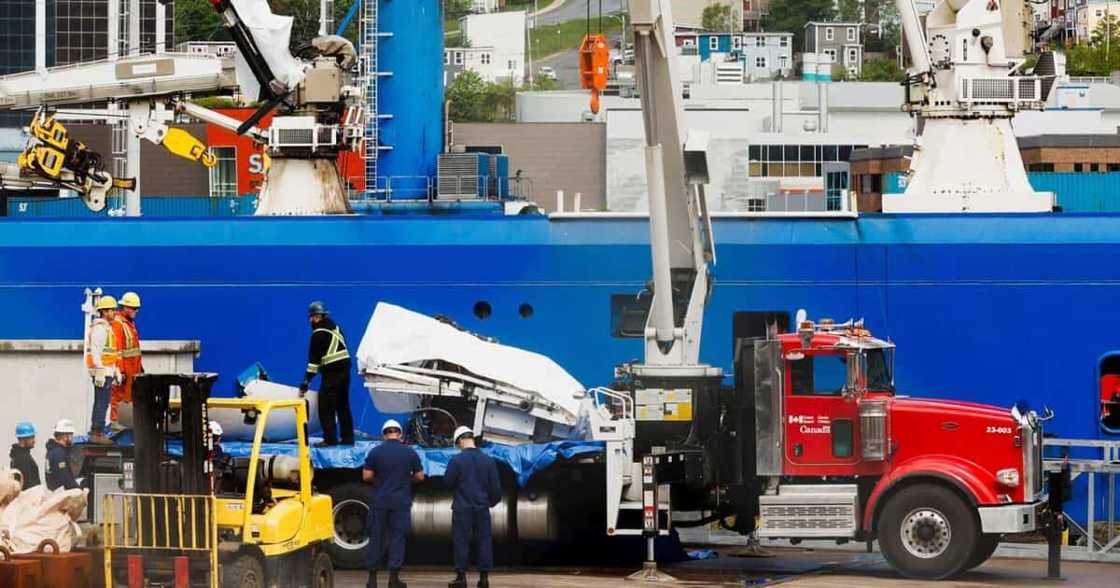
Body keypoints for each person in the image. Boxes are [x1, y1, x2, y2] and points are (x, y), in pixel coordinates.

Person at [363, 419, 425, 588]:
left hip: (380, 502)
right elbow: (420, 476)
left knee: (376, 538)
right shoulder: (409, 453)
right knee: (397, 538)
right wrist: (406, 480)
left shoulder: (375, 452)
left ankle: (372, 580)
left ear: (384, 434)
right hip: (400, 503)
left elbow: (366, 476)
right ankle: (393, 579)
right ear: (400, 434)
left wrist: (380, 481)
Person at [444, 426, 502, 588]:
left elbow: (448, 483)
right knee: (484, 540)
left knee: (461, 540)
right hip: (482, 507)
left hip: (462, 508)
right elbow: (496, 489)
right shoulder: (488, 460)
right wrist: (490, 502)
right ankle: (484, 579)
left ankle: (461, 578)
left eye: (457, 444)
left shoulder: (456, 460)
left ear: (461, 440)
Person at [299, 301, 354, 447]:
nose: (310, 320)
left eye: (311, 317)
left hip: (332, 374)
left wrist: (305, 382)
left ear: (317, 317)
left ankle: (330, 439)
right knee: (343, 406)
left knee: (326, 407)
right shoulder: (335, 327)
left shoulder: (318, 334)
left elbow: (313, 363)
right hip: (345, 372)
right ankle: (348, 439)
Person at [86, 295, 119, 445]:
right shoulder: (100, 328)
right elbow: (96, 351)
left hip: (107, 371)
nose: (114, 312)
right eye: (112, 310)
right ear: (104, 312)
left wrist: (115, 370)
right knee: (102, 402)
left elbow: (110, 353)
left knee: (102, 402)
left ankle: (97, 430)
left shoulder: (106, 328)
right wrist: (99, 371)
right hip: (102, 373)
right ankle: (97, 432)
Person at [109, 291, 144, 431]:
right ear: (125, 307)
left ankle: (125, 421)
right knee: (118, 394)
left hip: (133, 368)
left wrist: (139, 367)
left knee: (129, 396)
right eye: (134, 308)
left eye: (137, 308)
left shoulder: (129, 323)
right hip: (124, 368)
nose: (136, 311)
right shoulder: (118, 323)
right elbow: (117, 349)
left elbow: (134, 349)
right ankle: (115, 422)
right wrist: (120, 370)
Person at [45, 419, 78, 490]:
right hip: (61, 496)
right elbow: (65, 480)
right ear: (65, 436)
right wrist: (79, 490)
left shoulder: (53, 450)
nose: (72, 438)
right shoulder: (58, 454)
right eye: (71, 434)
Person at [9, 422, 41, 489]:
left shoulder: (17, 455)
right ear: (24, 439)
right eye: (32, 438)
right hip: (30, 497)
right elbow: (29, 485)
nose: (34, 441)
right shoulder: (23, 458)